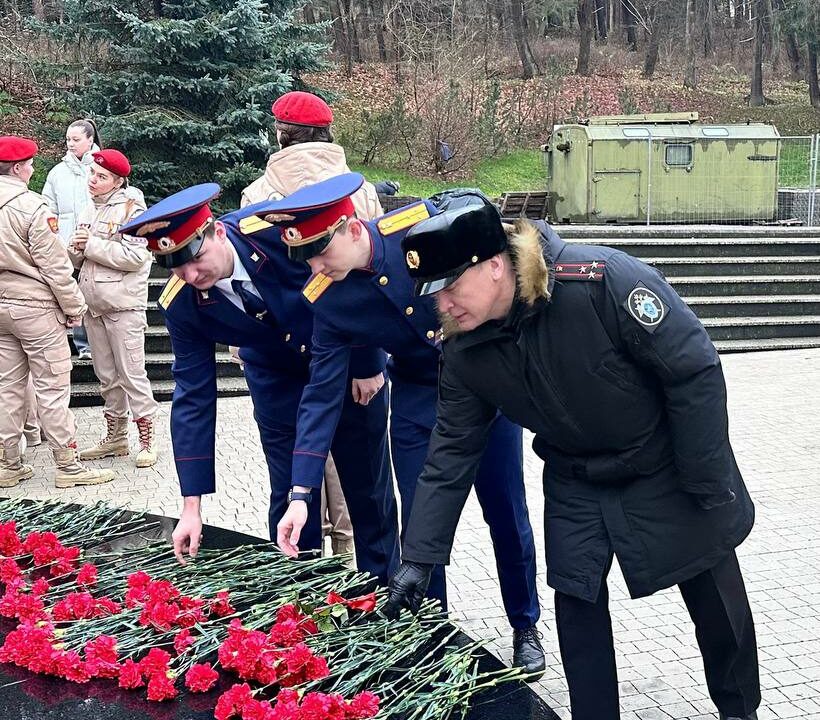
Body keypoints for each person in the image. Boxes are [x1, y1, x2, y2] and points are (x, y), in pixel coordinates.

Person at [385, 203, 760, 720]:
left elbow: (692, 368)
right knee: (576, 599)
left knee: (714, 592)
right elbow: (451, 450)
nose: (444, 304)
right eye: (433, 294)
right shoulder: (466, 350)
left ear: (495, 263)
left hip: (663, 462)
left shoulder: (599, 282)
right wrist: (417, 558)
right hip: (575, 476)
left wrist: (704, 474)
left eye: (451, 286)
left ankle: (740, 710)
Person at [250, 174, 544, 676]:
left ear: (349, 228)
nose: (315, 268)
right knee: (422, 525)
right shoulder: (329, 296)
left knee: (507, 513)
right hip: (418, 403)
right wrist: (301, 492)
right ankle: (436, 633)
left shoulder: (419, 230)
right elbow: (320, 395)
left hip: (484, 390)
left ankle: (524, 625)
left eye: (320, 254)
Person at [118, 184, 400, 584]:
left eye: (197, 260)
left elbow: (352, 273)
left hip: (347, 366)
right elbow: (192, 397)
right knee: (288, 494)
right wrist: (191, 505)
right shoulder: (182, 302)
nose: (192, 276)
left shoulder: (275, 231)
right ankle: (303, 602)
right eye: (177, 269)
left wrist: (369, 360)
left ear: (217, 232)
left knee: (368, 492)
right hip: (276, 382)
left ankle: (386, 597)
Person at [241, 89, 389, 559]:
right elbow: (374, 278)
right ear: (327, 133)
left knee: (289, 485)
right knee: (366, 489)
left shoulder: (258, 194)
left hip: (281, 359)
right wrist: (369, 361)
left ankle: (296, 600)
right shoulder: (358, 189)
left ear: (281, 135)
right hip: (349, 354)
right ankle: (372, 588)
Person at [0, 135, 116, 489]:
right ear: (19, 168)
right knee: (52, 386)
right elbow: (54, 266)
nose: (33, 169)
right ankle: (67, 465)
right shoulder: (32, 207)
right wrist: (74, 306)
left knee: (7, 386)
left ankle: (8, 464)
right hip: (35, 307)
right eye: (30, 164)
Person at [66, 149, 158, 467]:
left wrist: (90, 245)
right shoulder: (90, 208)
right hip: (94, 305)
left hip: (123, 306)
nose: (93, 180)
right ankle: (116, 438)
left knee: (132, 374)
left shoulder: (133, 209)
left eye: (101, 177)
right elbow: (78, 259)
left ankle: (146, 439)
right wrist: (75, 249)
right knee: (106, 377)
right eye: (92, 174)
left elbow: (136, 256)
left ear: (118, 182)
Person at [42, 118, 102, 359]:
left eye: (76, 139)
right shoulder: (57, 172)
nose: (70, 144)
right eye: (68, 139)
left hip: (96, 242)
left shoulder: (101, 167)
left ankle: (92, 344)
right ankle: (78, 344)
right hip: (65, 244)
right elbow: (48, 207)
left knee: (92, 294)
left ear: (90, 140)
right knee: (70, 292)